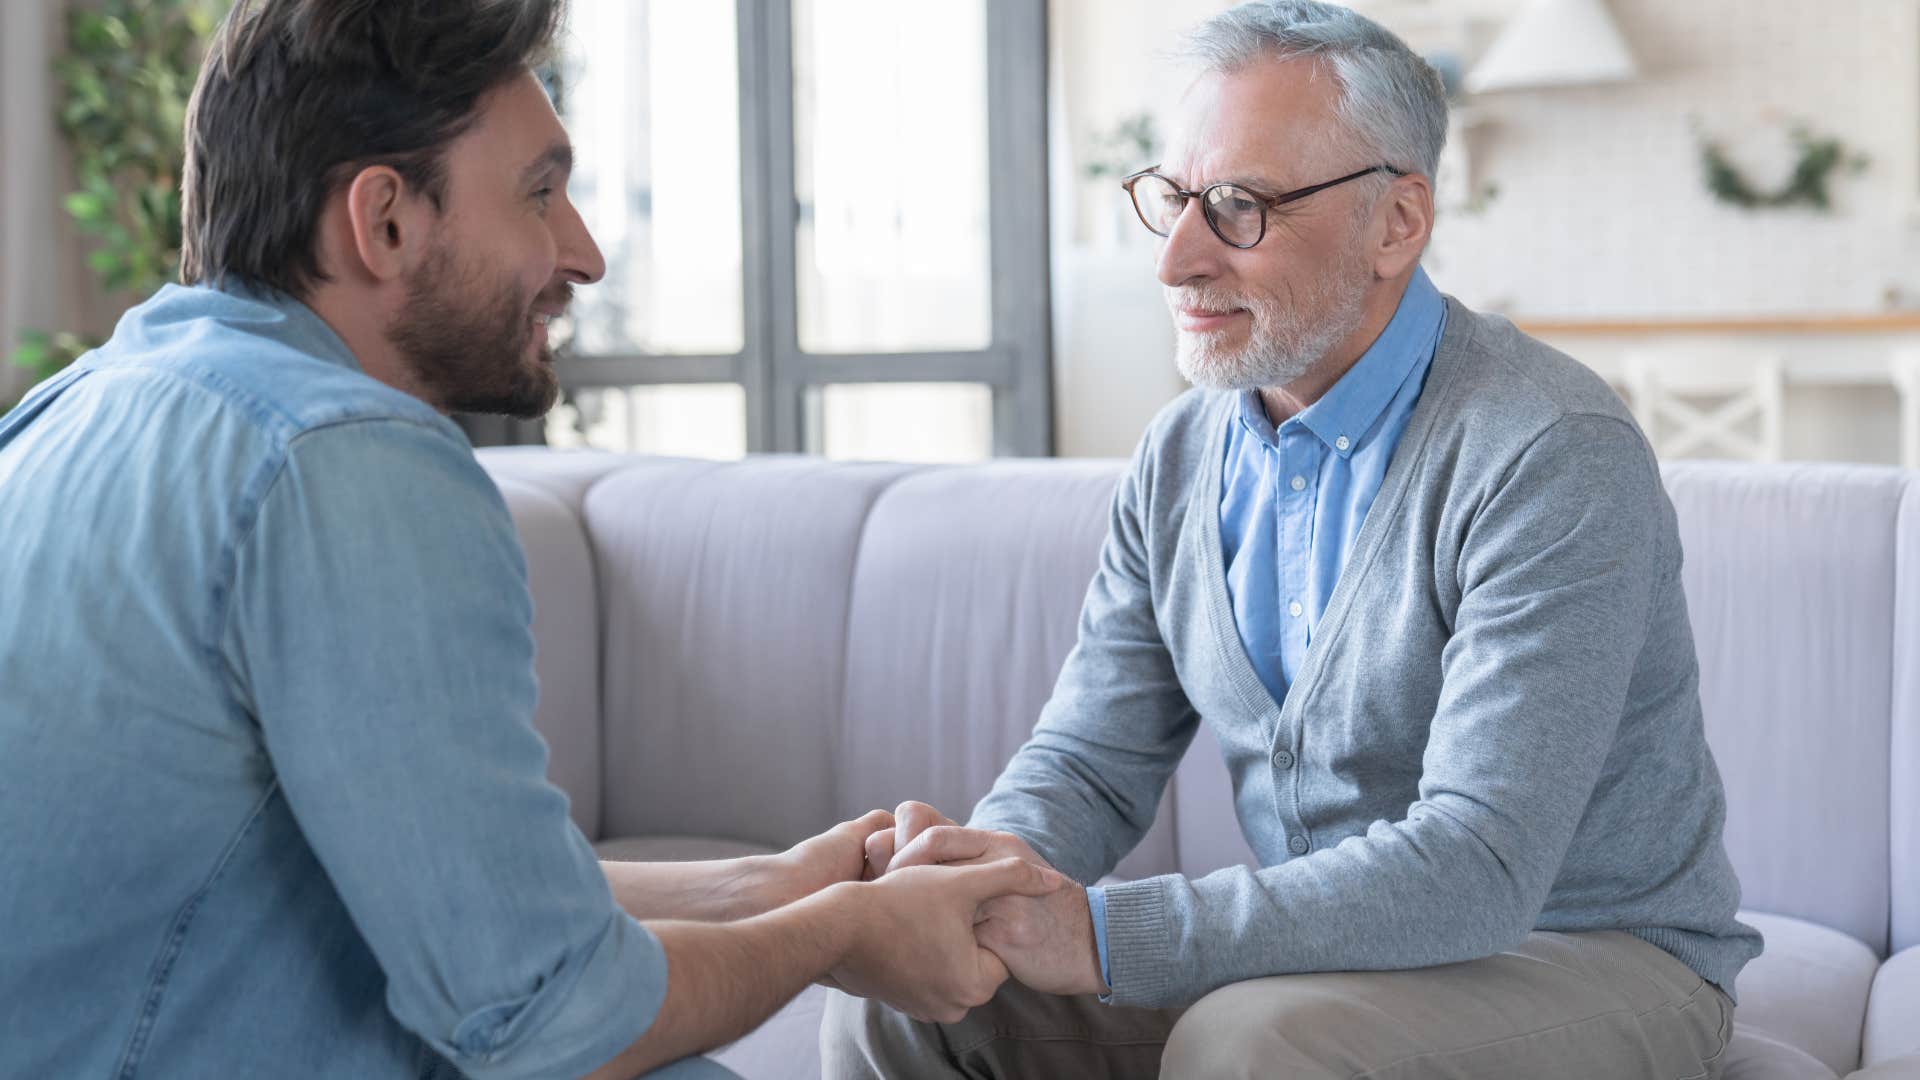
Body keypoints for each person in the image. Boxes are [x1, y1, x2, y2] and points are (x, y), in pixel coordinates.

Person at [0, 2, 1063, 1077]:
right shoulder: (348, 460)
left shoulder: (73, 412)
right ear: (386, 223)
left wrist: (781, 887)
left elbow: (455, 883)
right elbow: (556, 1026)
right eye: (539, 195)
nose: (584, 254)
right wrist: (844, 938)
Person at [823, 2, 1763, 1076]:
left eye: (1236, 207)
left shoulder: (1547, 449)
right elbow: (1090, 761)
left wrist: (1098, 933)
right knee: (905, 1005)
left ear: (1396, 224)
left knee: (1254, 1044)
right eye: (1173, 198)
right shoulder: (1179, 456)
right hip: (1333, 970)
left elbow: (1479, 863)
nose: (1177, 258)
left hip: (1592, 958)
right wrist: (978, 886)